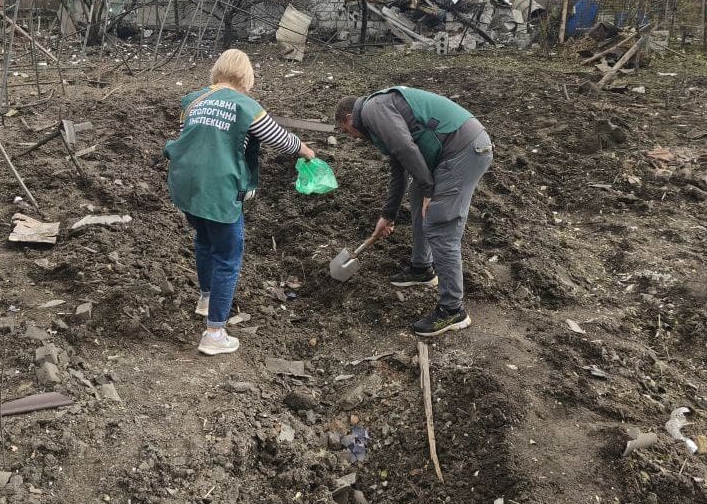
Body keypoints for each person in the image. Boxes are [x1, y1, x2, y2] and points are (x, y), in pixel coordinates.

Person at [165, 49, 314, 356]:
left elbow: (190, 137)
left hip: (186, 185)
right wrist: (304, 150)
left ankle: (206, 299)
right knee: (228, 256)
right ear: (246, 77)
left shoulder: (193, 100)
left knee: (204, 240)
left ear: (217, 72)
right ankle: (215, 333)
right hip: (218, 188)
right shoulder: (247, 107)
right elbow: (279, 139)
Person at [335, 86, 492, 337]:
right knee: (417, 196)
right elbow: (399, 166)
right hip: (450, 152)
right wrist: (388, 215)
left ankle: (453, 309)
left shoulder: (374, 110)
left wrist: (431, 190)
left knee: (440, 225)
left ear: (349, 119)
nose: (352, 137)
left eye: (347, 131)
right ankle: (422, 269)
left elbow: (407, 149)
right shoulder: (377, 117)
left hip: (464, 151)